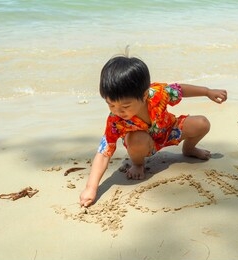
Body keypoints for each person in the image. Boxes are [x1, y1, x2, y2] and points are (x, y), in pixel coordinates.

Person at [80, 55, 227, 207]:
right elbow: (104, 152)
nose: (118, 111)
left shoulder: (157, 94)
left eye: (125, 106)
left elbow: (180, 90)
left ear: (144, 95)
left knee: (202, 123)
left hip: (169, 131)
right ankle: (138, 164)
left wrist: (207, 92)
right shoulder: (115, 121)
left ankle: (189, 149)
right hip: (142, 144)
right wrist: (91, 188)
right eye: (111, 105)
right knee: (136, 140)